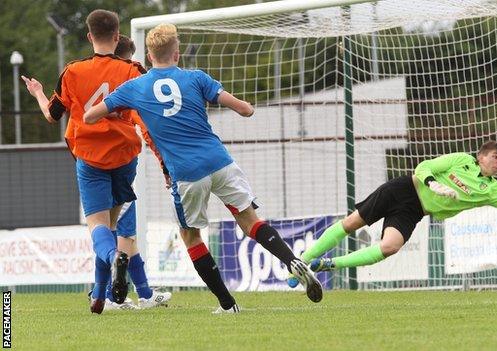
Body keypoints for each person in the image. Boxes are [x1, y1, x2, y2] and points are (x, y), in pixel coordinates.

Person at [84, 23, 323, 312]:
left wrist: (118, 107)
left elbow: (90, 116)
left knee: (191, 236)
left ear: (149, 56)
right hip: (220, 162)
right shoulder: (196, 78)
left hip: (187, 175)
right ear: (177, 54)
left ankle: (227, 304)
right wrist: (247, 106)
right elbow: (244, 109)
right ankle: (291, 260)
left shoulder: (135, 87)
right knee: (249, 220)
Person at [287, 141, 497, 281]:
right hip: (403, 189)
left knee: (390, 246)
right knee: (351, 223)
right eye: (496, 157)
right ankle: (303, 260)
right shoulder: (460, 160)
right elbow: (423, 167)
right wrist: (434, 185)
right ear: (481, 155)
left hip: (415, 211)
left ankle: (326, 265)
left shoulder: (492, 191)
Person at [22, 9, 143, 314]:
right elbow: (148, 113)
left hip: (89, 157)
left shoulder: (73, 71)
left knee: (97, 227)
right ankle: (98, 295)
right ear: (117, 37)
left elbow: (52, 115)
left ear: (90, 36)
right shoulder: (133, 70)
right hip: (124, 155)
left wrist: (37, 92)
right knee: (111, 225)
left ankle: (112, 264)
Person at [91, 34, 171, 311]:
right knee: (120, 236)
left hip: (95, 164)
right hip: (120, 167)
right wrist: (164, 162)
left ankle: (145, 294)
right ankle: (112, 297)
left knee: (110, 232)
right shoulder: (129, 87)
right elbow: (145, 128)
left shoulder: (94, 80)